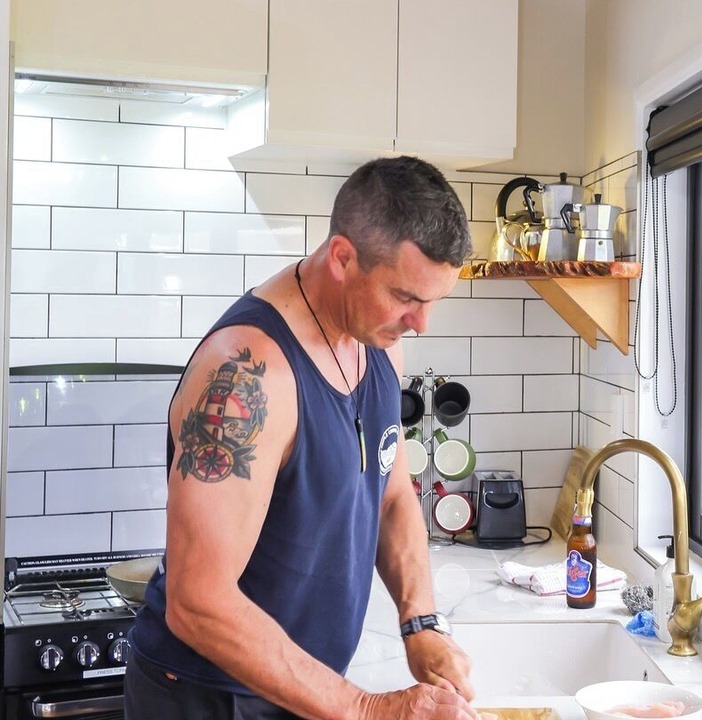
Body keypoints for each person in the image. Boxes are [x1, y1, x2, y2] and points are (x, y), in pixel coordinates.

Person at [125, 155, 479, 720]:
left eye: (433, 301)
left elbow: (391, 495)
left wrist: (421, 624)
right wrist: (368, 709)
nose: (421, 322)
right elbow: (197, 603)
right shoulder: (247, 375)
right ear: (343, 256)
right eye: (406, 297)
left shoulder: (378, 341)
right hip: (208, 699)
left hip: (303, 690)